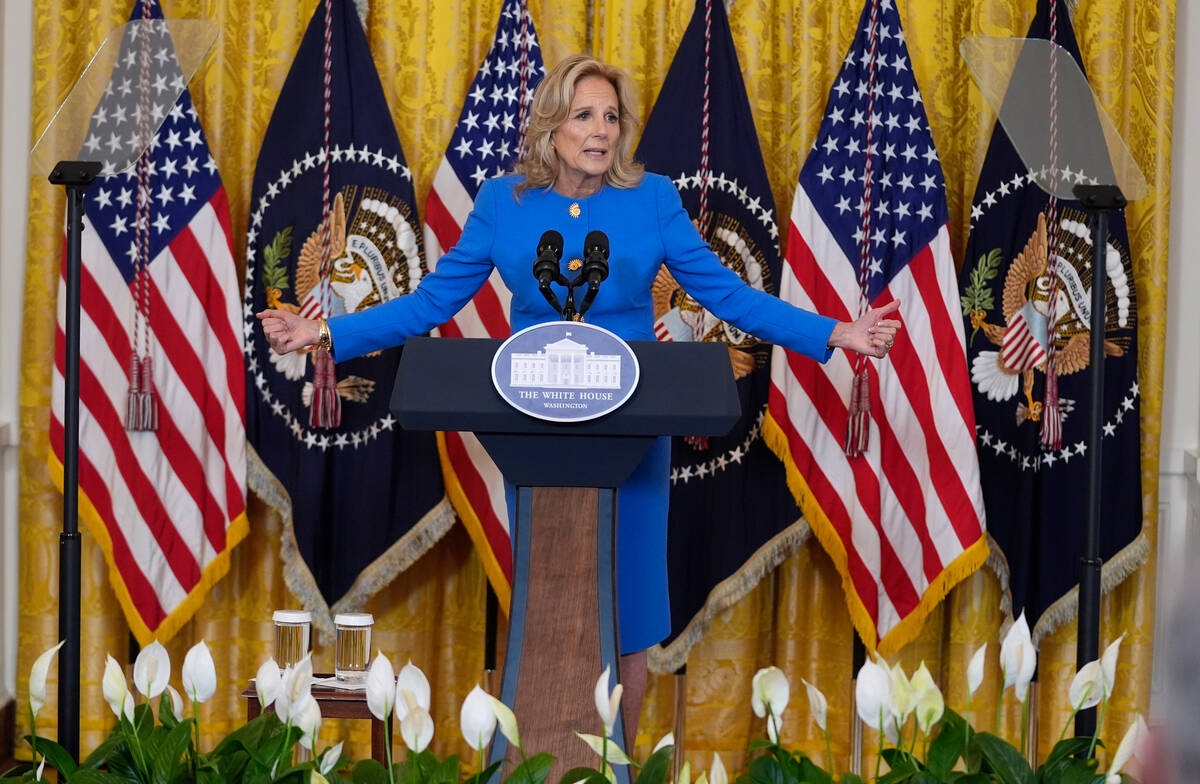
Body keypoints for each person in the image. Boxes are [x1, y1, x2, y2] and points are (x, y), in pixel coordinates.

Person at [259, 53, 902, 730]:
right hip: (536, 435)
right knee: (554, 600)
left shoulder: (652, 200)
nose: (600, 131)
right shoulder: (501, 205)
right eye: (583, 115)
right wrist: (325, 335)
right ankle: (541, 754)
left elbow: (728, 295)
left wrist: (836, 333)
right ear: (550, 127)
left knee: (630, 610)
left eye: (612, 117)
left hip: (630, 434)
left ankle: (609, 767)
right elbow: (429, 303)